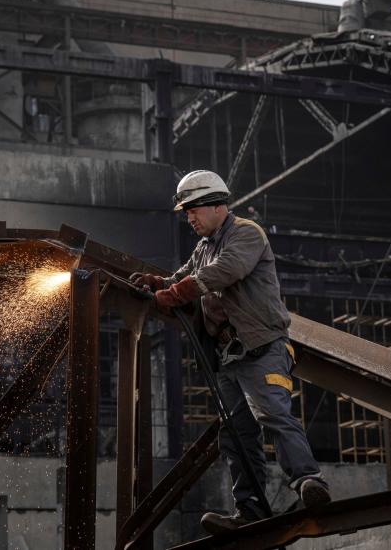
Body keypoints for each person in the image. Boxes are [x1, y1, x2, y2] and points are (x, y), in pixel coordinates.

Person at [131, 170, 331, 534]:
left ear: (217, 205)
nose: (188, 217)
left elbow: (226, 271)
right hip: (228, 358)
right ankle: (251, 509)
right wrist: (159, 283)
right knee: (236, 434)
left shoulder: (246, 234)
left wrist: (176, 293)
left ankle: (308, 481)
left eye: (192, 209)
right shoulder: (204, 247)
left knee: (272, 413)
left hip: (261, 349)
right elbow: (185, 275)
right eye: (185, 210)